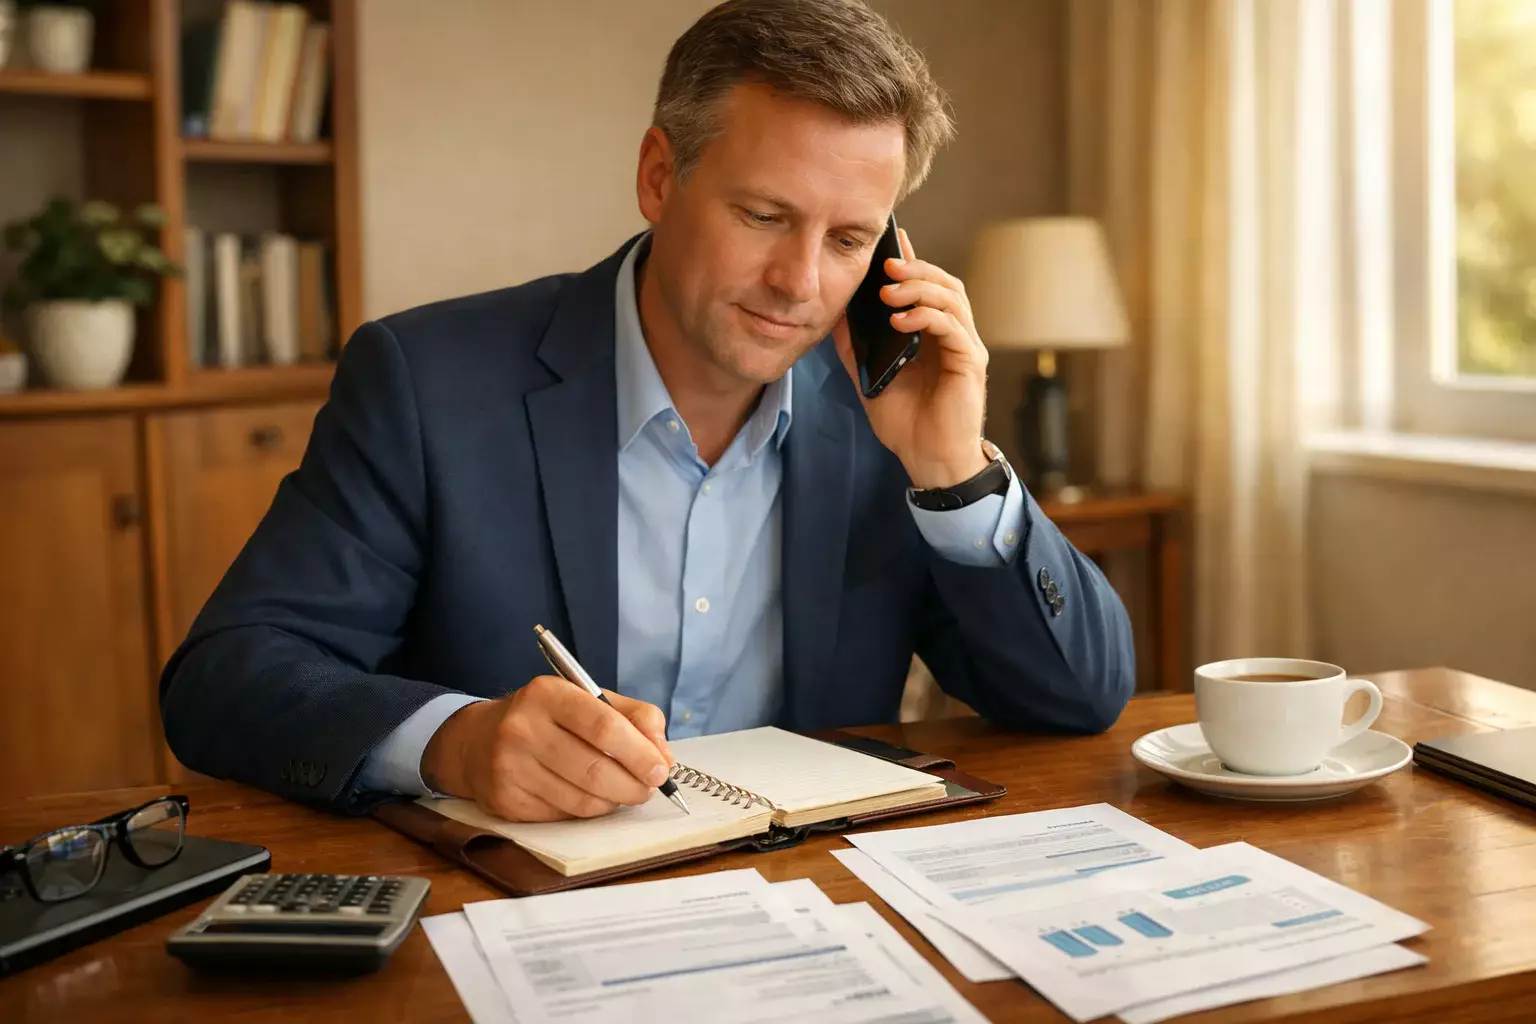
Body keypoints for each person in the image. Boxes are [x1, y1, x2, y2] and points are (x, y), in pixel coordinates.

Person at [159, 0, 1135, 821]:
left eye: (848, 239)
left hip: (809, 908)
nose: (799, 282)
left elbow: (1080, 699)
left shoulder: (891, 418)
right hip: (519, 906)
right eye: (764, 216)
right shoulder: (427, 381)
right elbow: (226, 678)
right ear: (660, 178)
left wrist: (954, 468)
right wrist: (452, 742)